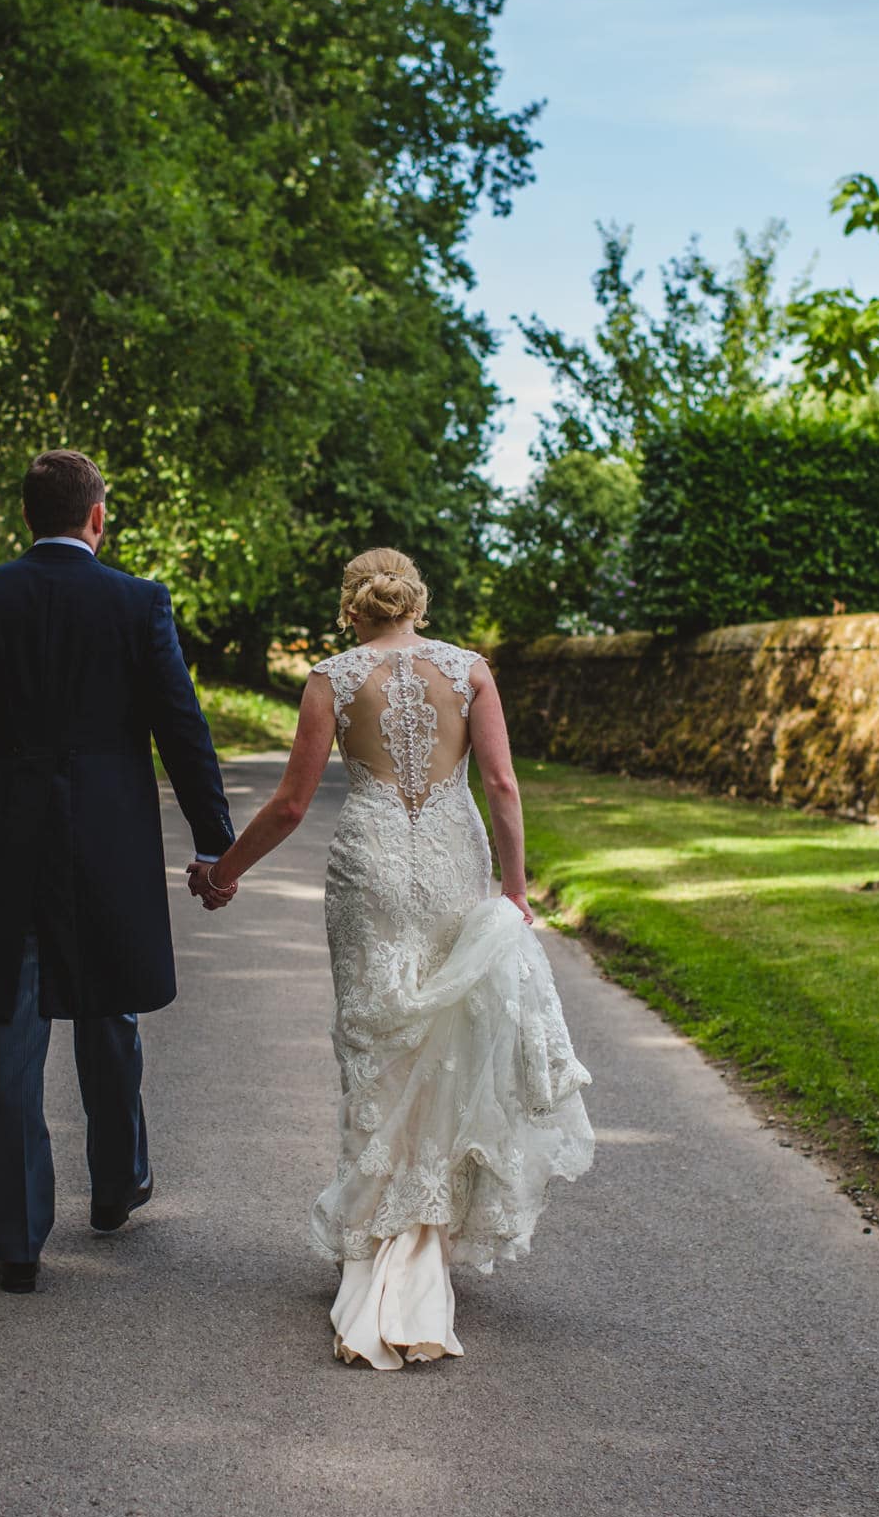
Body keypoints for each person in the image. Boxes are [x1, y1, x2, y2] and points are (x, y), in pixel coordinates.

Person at [199, 548, 594, 1368]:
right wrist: (515, 894)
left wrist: (222, 873)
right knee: (446, 1035)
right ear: (416, 599)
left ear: (352, 607)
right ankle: (424, 1230)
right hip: (452, 855)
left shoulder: (331, 680)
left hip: (373, 864)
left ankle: (380, 1231)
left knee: (379, 1042)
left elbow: (292, 803)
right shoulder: (470, 671)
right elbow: (503, 785)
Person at [0, 449, 237, 1295]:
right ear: (97, 517)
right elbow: (180, 725)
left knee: (11, 1030)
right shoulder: (137, 602)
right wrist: (214, 842)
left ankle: (18, 1241)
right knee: (108, 1008)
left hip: (2, 840)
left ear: (29, 518)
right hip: (105, 844)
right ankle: (119, 1182)